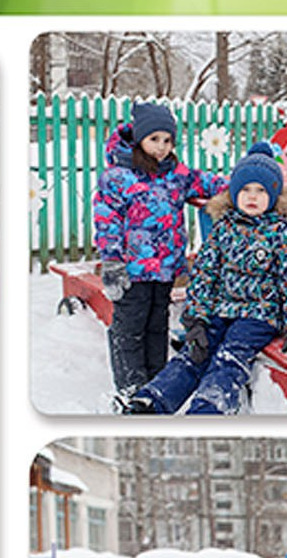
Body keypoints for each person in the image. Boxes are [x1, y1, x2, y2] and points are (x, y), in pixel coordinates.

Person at [131, 143, 287, 416]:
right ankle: (153, 400)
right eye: (245, 189)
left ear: (272, 195)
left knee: (231, 355)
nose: (252, 196)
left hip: (259, 313)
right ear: (234, 193)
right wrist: (196, 318)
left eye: (261, 191)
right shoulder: (224, 227)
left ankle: (210, 406)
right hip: (219, 308)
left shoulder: (281, 232)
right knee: (195, 352)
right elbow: (204, 273)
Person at [92, 100, 223, 403]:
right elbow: (106, 221)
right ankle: (130, 389)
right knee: (130, 328)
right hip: (132, 271)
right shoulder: (117, 177)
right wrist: (111, 261)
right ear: (139, 138)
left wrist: (249, 185)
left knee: (156, 325)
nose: (161, 147)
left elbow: (208, 182)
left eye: (167, 140)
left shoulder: (176, 174)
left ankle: (154, 383)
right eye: (154, 140)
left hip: (164, 269)